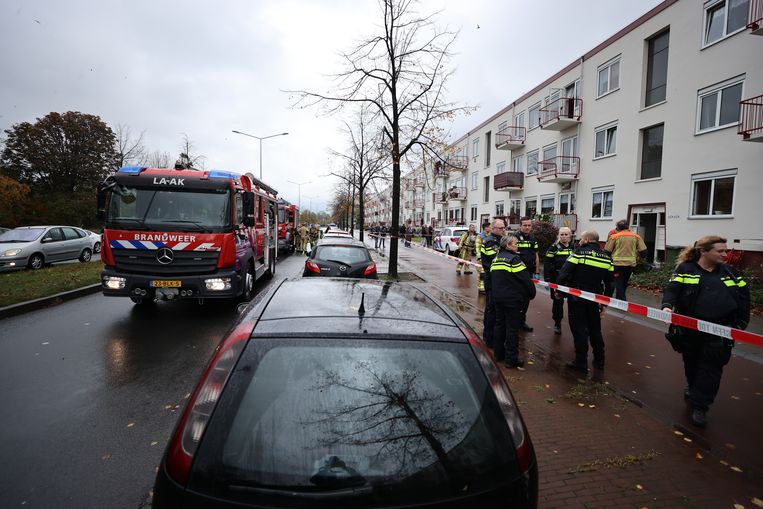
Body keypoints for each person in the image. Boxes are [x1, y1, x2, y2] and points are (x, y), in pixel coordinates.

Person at [661, 236, 749, 428]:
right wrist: (667, 307)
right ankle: (693, 387)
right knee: (691, 363)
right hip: (690, 329)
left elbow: (744, 298)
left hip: (720, 331)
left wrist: (741, 324)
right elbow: (672, 290)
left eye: (725, 251)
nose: (725, 255)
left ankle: (700, 406)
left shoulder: (731, 273)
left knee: (711, 369)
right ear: (704, 251)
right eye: (721, 251)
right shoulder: (686, 270)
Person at [557, 230, 614, 373]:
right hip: (595, 297)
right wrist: (604, 301)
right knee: (595, 328)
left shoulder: (578, 253)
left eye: (581, 238)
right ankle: (599, 361)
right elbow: (610, 283)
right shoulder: (607, 257)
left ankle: (581, 363)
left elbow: (564, 273)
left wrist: (559, 291)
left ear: (587, 239)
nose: (579, 240)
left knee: (579, 329)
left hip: (577, 297)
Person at [491, 234, 537, 368]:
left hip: (498, 298)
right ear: (508, 245)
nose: (517, 246)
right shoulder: (514, 259)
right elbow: (525, 279)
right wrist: (531, 294)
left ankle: (498, 355)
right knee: (512, 329)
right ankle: (511, 360)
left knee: (499, 326)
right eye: (515, 244)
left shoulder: (496, 259)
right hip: (512, 300)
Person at [605, 219, 647, 301]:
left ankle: (621, 300)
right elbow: (644, 251)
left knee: (618, 282)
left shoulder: (614, 237)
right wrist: (641, 259)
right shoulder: (636, 236)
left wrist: (609, 262)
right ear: (628, 226)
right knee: (624, 282)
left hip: (617, 264)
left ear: (618, 228)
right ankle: (620, 300)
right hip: (630, 265)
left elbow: (607, 251)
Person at [479, 219, 504, 351]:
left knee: (494, 309)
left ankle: (491, 336)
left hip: (497, 280)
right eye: (500, 228)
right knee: (491, 309)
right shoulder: (490, 242)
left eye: (503, 228)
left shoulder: (499, 240)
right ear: (493, 228)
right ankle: (488, 338)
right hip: (492, 279)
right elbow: (492, 262)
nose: (502, 230)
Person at [544, 226, 574, 335]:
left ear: (570, 235)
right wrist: (547, 278)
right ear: (558, 236)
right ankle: (557, 323)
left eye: (566, 234)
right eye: (562, 234)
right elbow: (547, 263)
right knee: (558, 302)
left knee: (574, 302)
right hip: (557, 279)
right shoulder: (553, 248)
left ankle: (574, 324)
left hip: (571, 280)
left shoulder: (574, 247)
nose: (564, 236)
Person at [516, 218, 540, 332]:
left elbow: (536, 255)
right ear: (520, 226)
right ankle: (513, 321)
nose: (527, 227)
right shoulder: (515, 238)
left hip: (529, 273)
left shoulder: (533, 239)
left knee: (526, 298)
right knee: (516, 298)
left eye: (529, 225)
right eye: (525, 225)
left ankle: (521, 321)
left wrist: (537, 271)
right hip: (517, 273)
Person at [475, 221, 492, 294]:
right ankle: (481, 288)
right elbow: (478, 246)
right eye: (489, 227)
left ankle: (487, 287)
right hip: (482, 258)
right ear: (486, 228)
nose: (491, 228)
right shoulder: (480, 236)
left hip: (489, 257)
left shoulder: (491, 235)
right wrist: (479, 256)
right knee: (481, 273)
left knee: (488, 273)